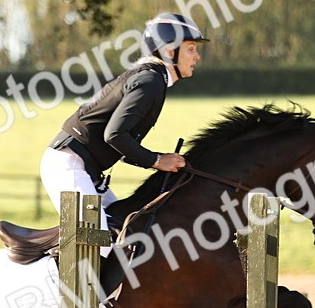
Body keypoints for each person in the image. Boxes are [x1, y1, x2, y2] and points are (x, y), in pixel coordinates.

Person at [39, 13, 208, 257]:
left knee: (126, 232)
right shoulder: (151, 80)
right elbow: (115, 135)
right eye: (191, 48)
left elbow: (120, 141)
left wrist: (158, 160)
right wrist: (157, 161)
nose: (197, 56)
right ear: (169, 51)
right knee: (99, 246)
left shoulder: (153, 77)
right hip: (68, 165)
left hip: (85, 167)